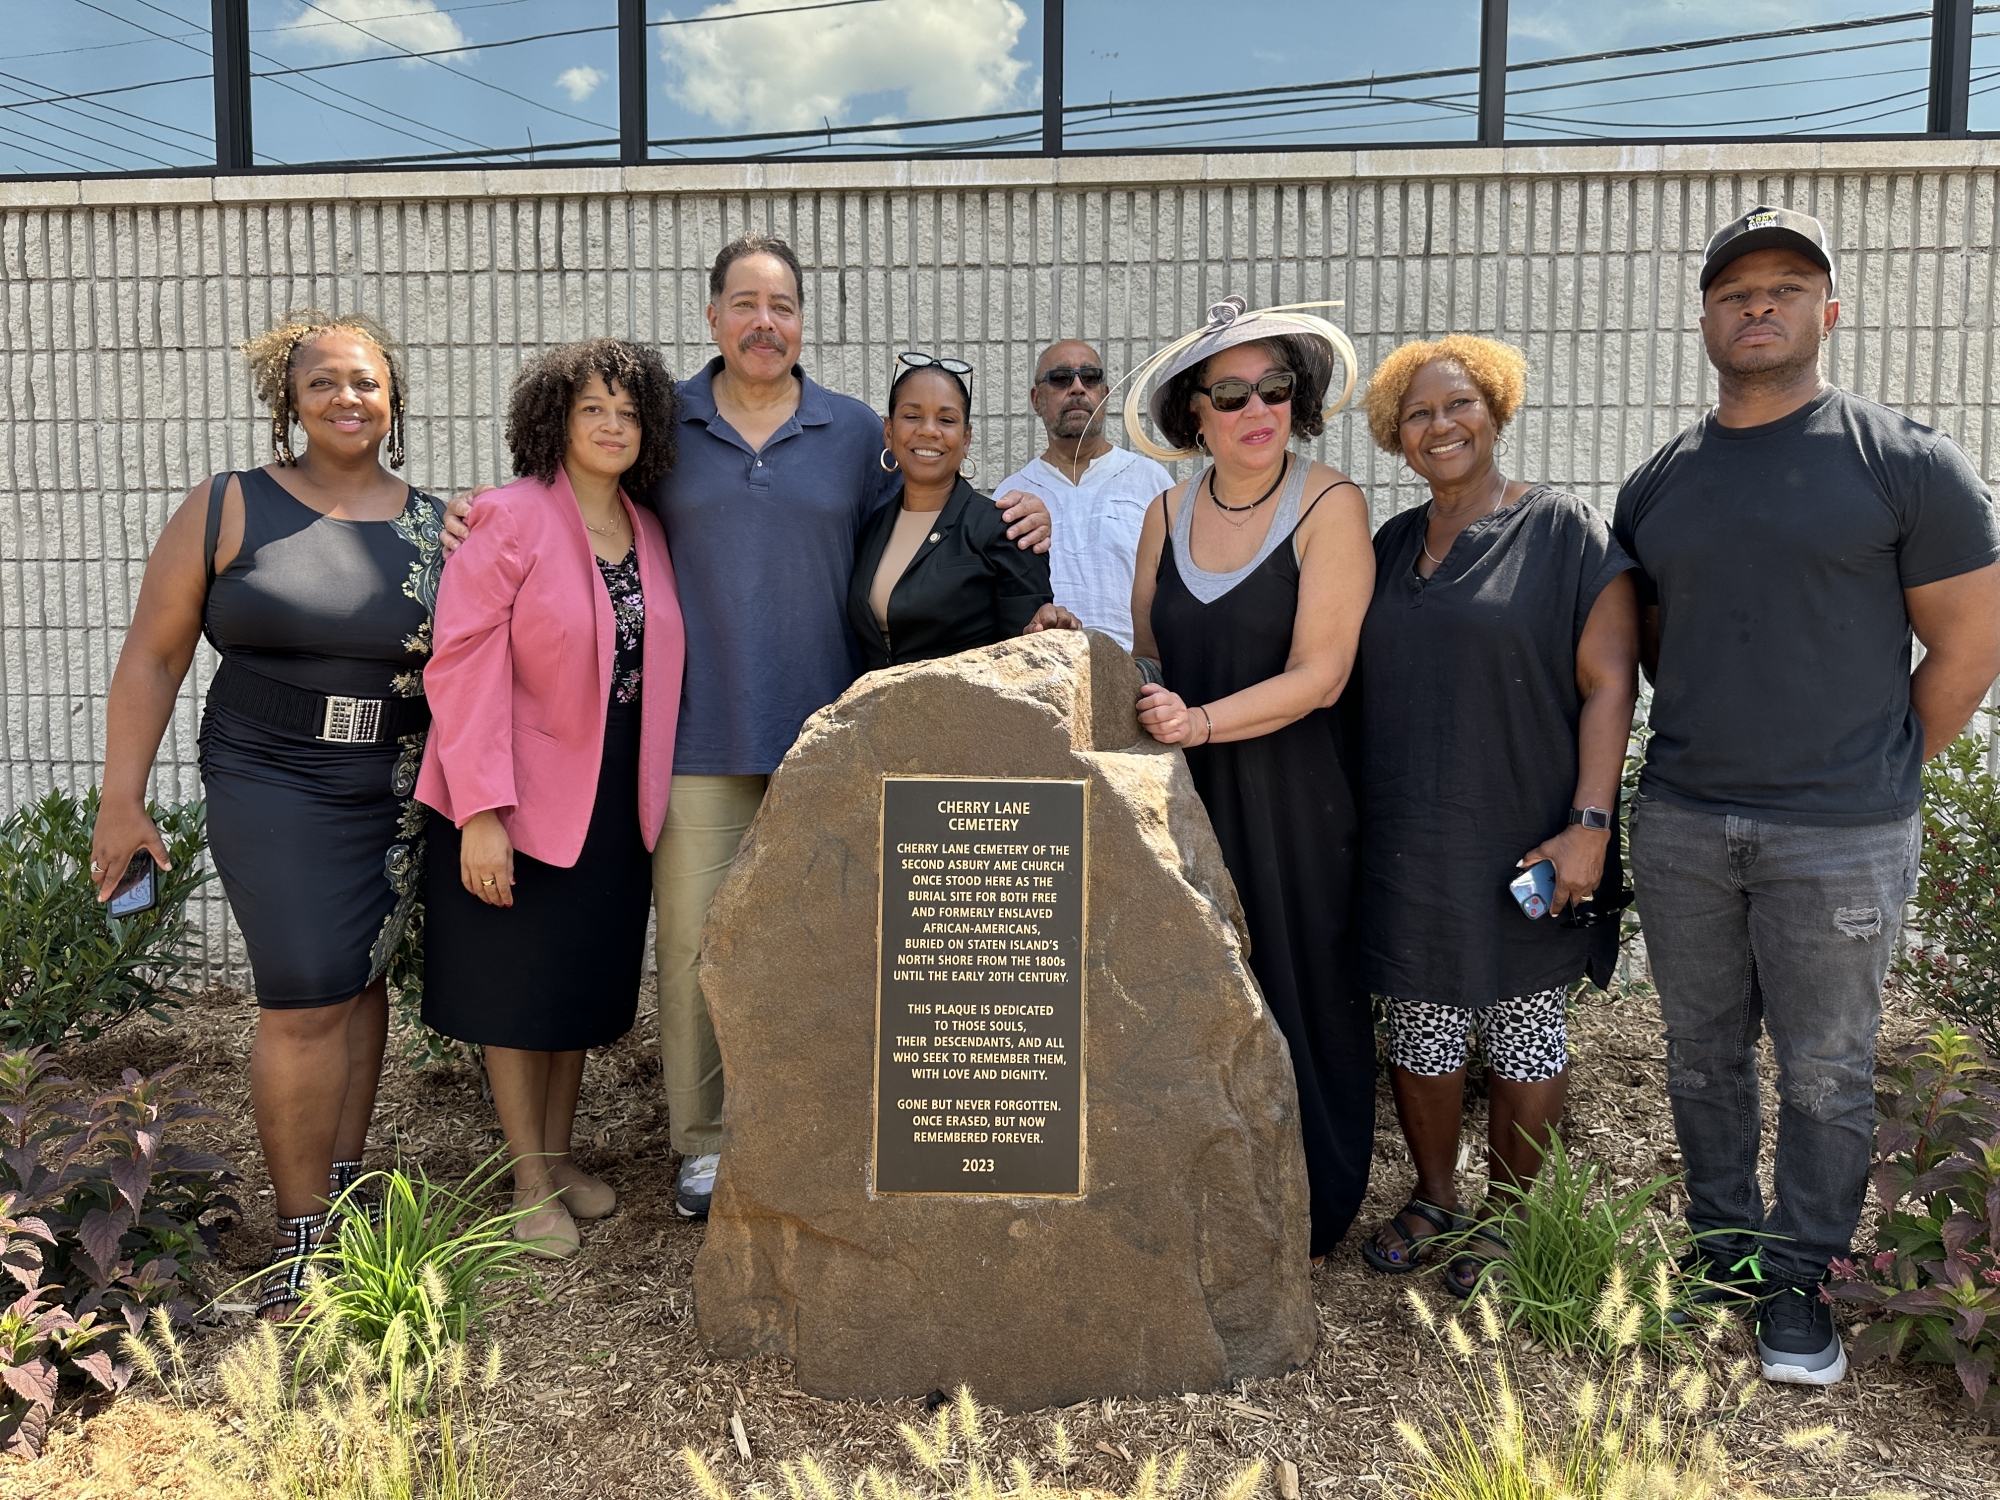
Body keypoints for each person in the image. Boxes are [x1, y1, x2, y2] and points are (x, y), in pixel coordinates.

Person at [441, 236, 1052, 1219]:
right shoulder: (662, 422)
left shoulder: (856, 433)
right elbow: (576, 502)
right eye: (744, 304)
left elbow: (928, 512)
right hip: (690, 746)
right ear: (713, 315)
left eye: (783, 306)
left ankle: (813, 1130)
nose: (764, 323)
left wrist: (1017, 518)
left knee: (823, 949)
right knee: (694, 954)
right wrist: (481, 509)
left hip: (827, 744)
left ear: (803, 320)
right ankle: (704, 1145)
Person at [1614, 205, 2000, 1385]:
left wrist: (1876, 769)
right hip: (1682, 819)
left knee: (1826, 1069)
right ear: (1703, 319)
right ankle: (1723, 1249)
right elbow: (1654, 645)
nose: (1759, 305)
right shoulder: (1657, 483)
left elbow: (1967, 647)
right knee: (1699, 1055)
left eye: (1785, 286)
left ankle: (1802, 1280)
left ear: (1826, 311)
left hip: (1840, 833)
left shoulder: (1904, 463)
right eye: (1735, 291)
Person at [91, 311, 444, 1317]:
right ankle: (300, 1241)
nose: (346, 398)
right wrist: (122, 799)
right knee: (304, 994)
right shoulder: (228, 505)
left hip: (391, 781)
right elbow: (154, 654)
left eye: (365, 382)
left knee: (360, 976)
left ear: (394, 400)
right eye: (322, 381)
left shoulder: (435, 525)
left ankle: (344, 1187)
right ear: (287, 400)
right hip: (270, 774)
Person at [1352, 335, 1639, 1294]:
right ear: (1397, 435)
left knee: (1524, 1027)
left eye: (1460, 404)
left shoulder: (1562, 530)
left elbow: (1610, 684)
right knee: (1421, 1025)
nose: (1441, 426)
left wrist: (1590, 824)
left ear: (1497, 410)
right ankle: (1436, 1197)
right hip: (1411, 836)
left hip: (1528, 832)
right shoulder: (1389, 547)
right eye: (1418, 414)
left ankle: (1512, 1222)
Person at [417, 340, 684, 1259]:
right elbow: (462, 662)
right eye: (592, 410)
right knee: (515, 992)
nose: (612, 425)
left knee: (575, 985)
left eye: (628, 412)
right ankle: (526, 1179)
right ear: (555, 421)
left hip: (614, 796)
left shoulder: (649, 528)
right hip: (513, 793)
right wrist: (481, 811)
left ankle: (559, 1156)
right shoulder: (509, 515)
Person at [1125, 296, 1376, 1262]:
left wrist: (1200, 722)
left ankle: (1311, 1205)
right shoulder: (1164, 513)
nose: (1256, 408)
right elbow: (1150, 655)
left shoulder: (1329, 504)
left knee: (1300, 987)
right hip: (1190, 800)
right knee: (1198, 990)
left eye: (1273, 387)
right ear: (1195, 413)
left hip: (1294, 801)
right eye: (1230, 394)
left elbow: (1323, 675)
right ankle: (1214, 1199)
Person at [850, 353, 1063, 668]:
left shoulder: (1008, 529)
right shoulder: (871, 526)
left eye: (946, 420)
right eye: (912, 416)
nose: (929, 430)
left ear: (966, 439)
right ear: (889, 432)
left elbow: (1031, 657)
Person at [991, 340, 1172, 648]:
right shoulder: (1012, 495)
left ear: (1105, 394)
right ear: (1037, 400)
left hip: (1139, 669)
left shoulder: (1151, 481)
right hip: (1043, 666)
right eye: (1061, 378)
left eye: (1090, 377)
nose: (1077, 388)